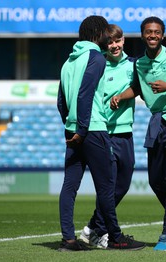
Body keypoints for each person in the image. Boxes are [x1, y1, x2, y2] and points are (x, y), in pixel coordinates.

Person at [110, 16, 166, 251]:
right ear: (142, 35)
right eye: (148, 32)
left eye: (157, 32)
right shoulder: (138, 63)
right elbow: (138, 88)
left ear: (162, 35)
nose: (153, 35)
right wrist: (121, 95)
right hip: (157, 122)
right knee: (154, 181)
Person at [57, 16, 145, 251]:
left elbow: (61, 101)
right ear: (98, 33)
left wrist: (71, 126)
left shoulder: (68, 62)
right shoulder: (95, 57)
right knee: (106, 186)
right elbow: (86, 95)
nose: (109, 37)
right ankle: (115, 238)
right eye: (106, 32)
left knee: (69, 186)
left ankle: (68, 239)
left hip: (73, 130)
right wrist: (84, 129)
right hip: (93, 129)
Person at [78, 24, 139, 249]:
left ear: (124, 40)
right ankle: (100, 232)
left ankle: (92, 227)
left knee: (122, 185)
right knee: (108, 184)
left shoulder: (134, 65)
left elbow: (139, 88)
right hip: (104, 133)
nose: (114, 46)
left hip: (126, 133)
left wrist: (122, 96)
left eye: (118, 41)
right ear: (105, 43)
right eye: (110, 42)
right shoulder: (98, 63)